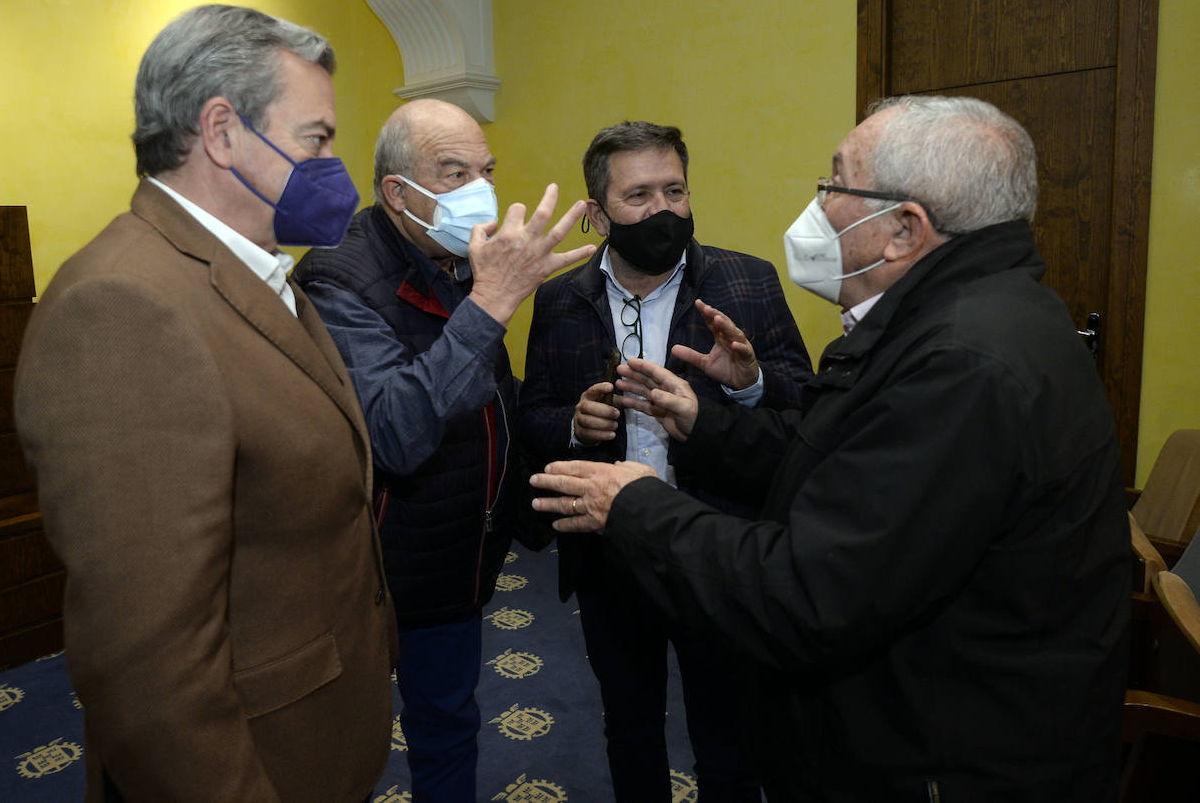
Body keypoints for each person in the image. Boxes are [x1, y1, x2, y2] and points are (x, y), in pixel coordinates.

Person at [531, 97, 1131, 802]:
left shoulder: (962, 362)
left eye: (835, 184)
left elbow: (811, 593)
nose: (817, 204)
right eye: (639, 195)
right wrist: (706, 421)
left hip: (940, 749)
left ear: (905, 229)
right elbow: (826, 448)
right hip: (913, 711)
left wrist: (631, 501)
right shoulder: (964, 319)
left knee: (722, 736)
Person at [14, 4, 397, 802]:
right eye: (316, 139)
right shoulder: (123, 306)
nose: (332, 167)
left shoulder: (247, 269)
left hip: (315, 733)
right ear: (222, 134)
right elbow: (146, 666)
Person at [292, 98, 594, 802]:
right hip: (373, 571)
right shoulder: (335, 277)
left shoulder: (460, 256)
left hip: (458, 557)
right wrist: (493, 303)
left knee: (449, 727)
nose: (480, 191)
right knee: (347, 748)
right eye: (454, 172)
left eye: (486, 170)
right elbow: (395, 431)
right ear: (398, 192)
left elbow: (493, 396)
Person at [516, 121, 812, 801]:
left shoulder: (746, 281)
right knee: (630, 727)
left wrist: (749, 384)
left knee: (728, 735)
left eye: (674, 190)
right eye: (639, 194)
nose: (663, 211)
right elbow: (533, 413)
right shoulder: (561, 300)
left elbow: (804, 414)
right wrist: (571, 422)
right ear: (597, 215)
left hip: (717, 544)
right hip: (609, 550)